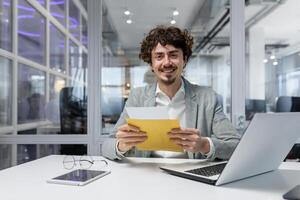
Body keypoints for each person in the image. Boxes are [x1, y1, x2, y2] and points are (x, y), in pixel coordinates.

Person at [102, 25, 240, 161]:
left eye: (173, 55)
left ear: (184, 60)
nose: (167, 62)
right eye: (159, 56)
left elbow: (236, 146)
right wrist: (121, 145)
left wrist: (204, 145)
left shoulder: (207, 98)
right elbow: (106, 146)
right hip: (147, 175)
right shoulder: (137, 97)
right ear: (151, 63)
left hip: (189, 177)